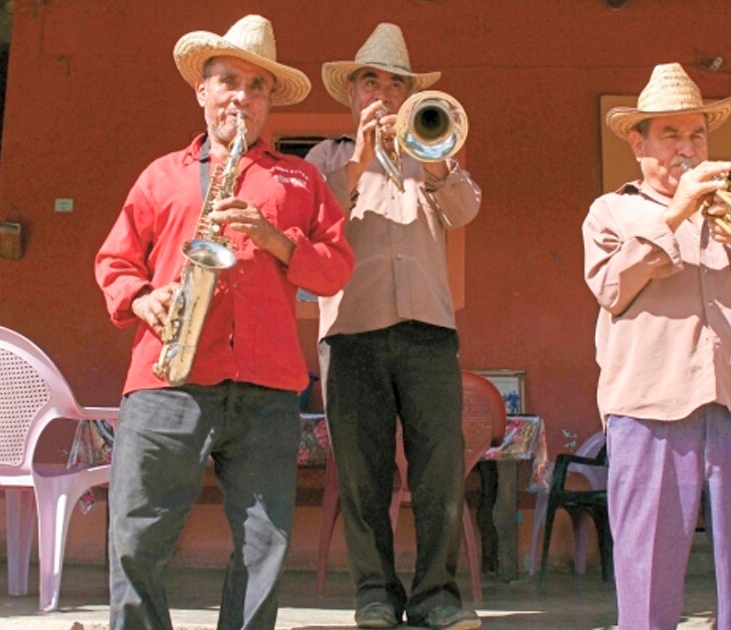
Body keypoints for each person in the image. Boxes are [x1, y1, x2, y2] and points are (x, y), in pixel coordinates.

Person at [94, 15, 354, 630]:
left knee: (265, 548)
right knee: (135, 537)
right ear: (202, 91)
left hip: (265, 386)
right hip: (167, 379)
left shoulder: (302, 178)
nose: (241, 95)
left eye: (256, 86)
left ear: (268, 102)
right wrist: (140, 299)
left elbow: (335, 269)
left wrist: (275, 238)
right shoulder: (162, 175)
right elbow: (115, 260)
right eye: (228, 81)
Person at [582, 63, 731, 629]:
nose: (687, 147)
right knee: (646, 560)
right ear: (638, 141)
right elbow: (609, 288)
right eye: (670, 134)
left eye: (697, 134)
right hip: (650, 408)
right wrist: (676, 216)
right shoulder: (612, 211)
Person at [305, 23, 482, 630]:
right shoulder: (326, 158)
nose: (381, 93)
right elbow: (309, 219)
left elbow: (466, 210)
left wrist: (434, 165)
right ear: (350, 93)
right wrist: (357, 160)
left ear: (411, 96)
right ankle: (375, 596)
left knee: (438, 472)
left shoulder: (432, 149)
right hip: (351, 332)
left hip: (429, 331)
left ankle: (437, 598)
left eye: (394, 84)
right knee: (362, 476)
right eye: (370, 81)